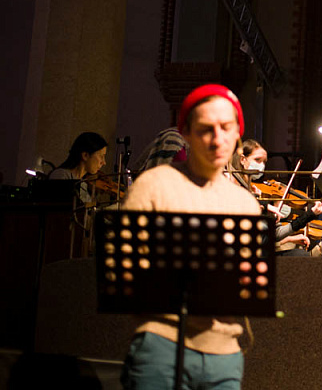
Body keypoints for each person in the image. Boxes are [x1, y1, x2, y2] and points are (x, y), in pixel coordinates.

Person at [120, 84, 261, 390]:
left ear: (238, 133)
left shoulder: (245, 203)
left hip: (226, 354)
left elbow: (249, 280)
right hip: (162, 343)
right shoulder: (154, 185)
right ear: (185, 133)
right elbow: (126, 271)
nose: (217, 139)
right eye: (205, 129)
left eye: (226, 128)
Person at [48, 132, 108, 204]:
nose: (104, 162)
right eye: (101, 156)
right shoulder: (61, 176)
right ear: (85, 155)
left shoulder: (84, 184)